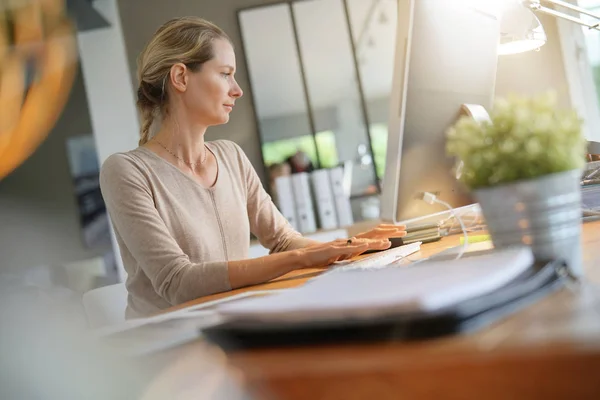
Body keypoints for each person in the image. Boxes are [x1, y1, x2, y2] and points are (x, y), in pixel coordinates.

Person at [99, 16, 406, 318]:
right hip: (165, 350)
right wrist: (303, 258)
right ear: (181, 77)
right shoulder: (126, 171)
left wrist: (352, 249)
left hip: (234, 327)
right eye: (225, 74)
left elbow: (284, 241)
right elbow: (178, 283)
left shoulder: (230, 156)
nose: (237, 90)